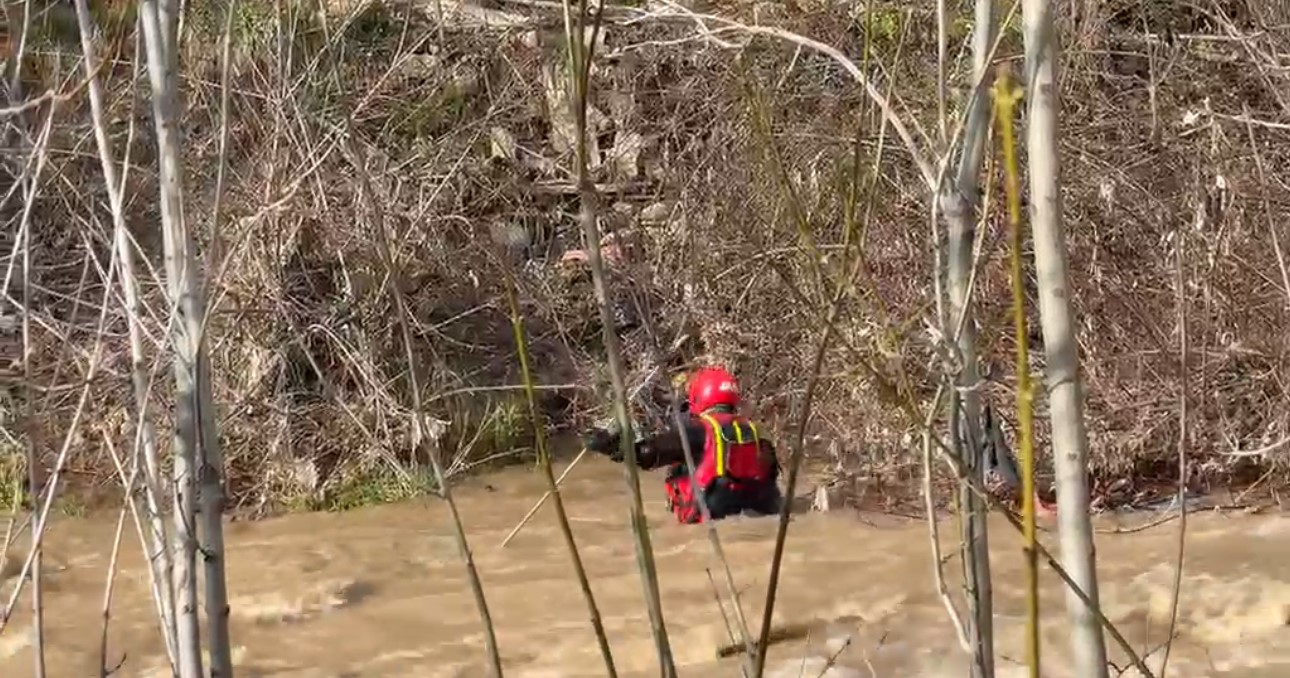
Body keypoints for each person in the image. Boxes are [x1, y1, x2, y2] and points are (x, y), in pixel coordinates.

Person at [583, 366, 783, 524]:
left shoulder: (698, 430)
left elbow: (648, 454)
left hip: (712, 520)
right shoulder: (759, 433)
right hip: (763, 517)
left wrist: (612, 447)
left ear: (699, 397)